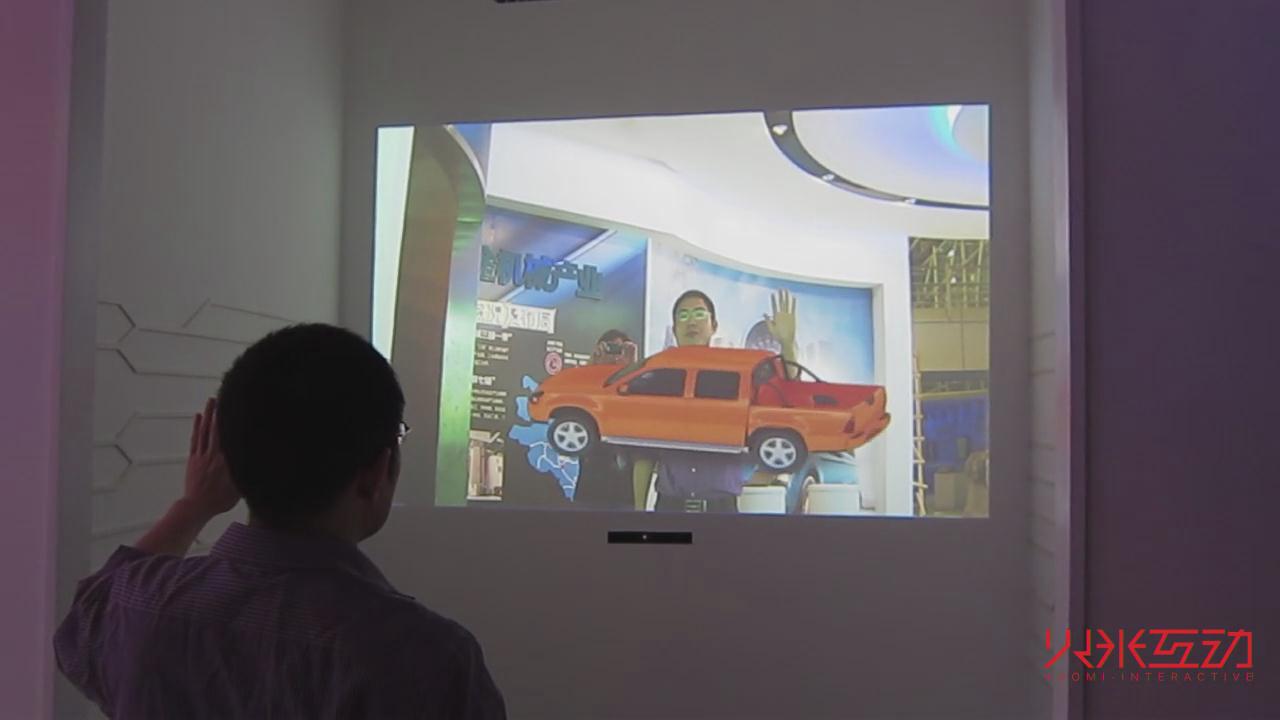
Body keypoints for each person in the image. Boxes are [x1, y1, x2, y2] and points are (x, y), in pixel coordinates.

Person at [54, 324, 506, 719]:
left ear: (228, 457)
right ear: (375, 474)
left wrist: (194, 504)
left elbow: (85, 617)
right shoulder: (429, 659)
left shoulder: (136, 608)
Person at [635, 289, 799, 512]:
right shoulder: (658, 378)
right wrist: (639, 511)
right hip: (670, 506)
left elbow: (786, 393)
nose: (691, 321)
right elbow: (644, 452)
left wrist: (787, 344)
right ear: (674, 329)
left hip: (721, 509)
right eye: (683, 315)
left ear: (714, 325)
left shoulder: (735, 374)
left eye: (699, 314)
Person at [573, 330, 640, 510]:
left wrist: (633, 369)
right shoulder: (590, 382)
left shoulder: (635, 385)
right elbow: (577, 405)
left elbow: (637, 414)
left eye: (621, 350)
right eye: (611, 348)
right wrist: (594, 366)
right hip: (589, 485)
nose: (615, 356)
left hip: (623, 489)